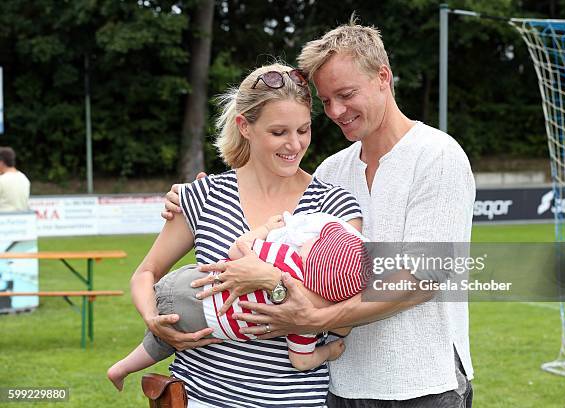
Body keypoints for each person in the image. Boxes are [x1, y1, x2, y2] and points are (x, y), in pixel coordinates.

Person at [164, 19, 475, 407]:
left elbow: (422, 279)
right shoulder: (332, 171)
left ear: (383, 77)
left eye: (345, 94)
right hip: (340, 387)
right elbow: (272, 219)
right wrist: (192, 196)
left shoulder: (437, 156)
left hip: (421, 385)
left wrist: (311, 320)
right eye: (327, 100)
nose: (336, 111)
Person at [130, 62, 363, 407]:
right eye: (279, 132)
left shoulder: (335, 205)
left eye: (303, 130)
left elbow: (346, 303)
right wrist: (154, 319)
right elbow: (146, 273)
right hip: (201, 396)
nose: (294, 144)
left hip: (297, 401)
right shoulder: (202, 195)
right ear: (245, 127)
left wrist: (271, 280)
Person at [108, 213, 368, 390]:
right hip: (203, 322)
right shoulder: (307, 317)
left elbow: (238, 249)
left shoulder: (285, 256)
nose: (312, 238)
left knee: (165, 333)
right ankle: (121, 368)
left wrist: (266, 229)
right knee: (165, 340)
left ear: (313, 255)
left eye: (317, 241)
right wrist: (329, 351)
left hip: (191, 283)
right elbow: (301, 361)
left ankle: (120, 368)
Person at [0, 146, 30, 212]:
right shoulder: (24, 178)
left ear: (1, 163)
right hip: (23, 219)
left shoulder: (2, 180)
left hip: (4, 218)